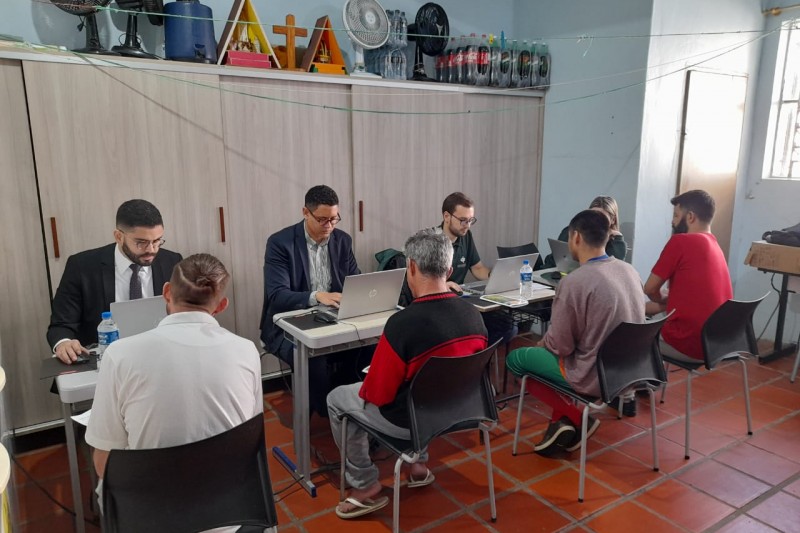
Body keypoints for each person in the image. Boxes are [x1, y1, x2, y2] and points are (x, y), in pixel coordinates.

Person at [86, 254, 263, 525]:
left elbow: (104, 463)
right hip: (230, 512)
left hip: (147, 516)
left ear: (166, 293)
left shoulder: (120, 354)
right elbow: (250, 435)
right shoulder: (246, 349)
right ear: (222, 305)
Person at [327, 230, 488, 520]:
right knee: (426, 382)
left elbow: (377, 395)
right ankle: (418, 466)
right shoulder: (474, 315)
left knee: (338, 398)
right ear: (450, 270)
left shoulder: (402, 324)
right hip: (457, 413)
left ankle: (365, 485)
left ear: (410, 267)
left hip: (410, 420)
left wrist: (373, 374)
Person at [505, 210, 645, 455]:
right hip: (629, 372)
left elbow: (560, 346)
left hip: (593, 374)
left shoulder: (575, 282)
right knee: (552, 357)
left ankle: (578, 417)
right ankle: (561, 424)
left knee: (517, 359)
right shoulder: (629, 270)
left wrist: (541, 346)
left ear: (576, 237)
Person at [260, 185, 362, 417]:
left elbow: (355, 280)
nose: (329, 226)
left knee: (367, 346)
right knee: (312, 356)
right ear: (306, 212)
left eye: (334, 219)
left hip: (333, 319)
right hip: (289, 324)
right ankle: (330, 413)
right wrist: (316, 296)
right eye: (323, 220)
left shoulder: (342, 240)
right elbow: (276, 295)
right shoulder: (280, 243)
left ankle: (350, 408)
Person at [47, 199, 182, 364]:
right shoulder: (82, 266)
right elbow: (61, 324)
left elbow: (183, 314)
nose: (151, 250)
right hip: (106, 361)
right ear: (119, 236)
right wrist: (64, 343)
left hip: (160, 357)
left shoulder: (172, 262)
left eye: (157, 241)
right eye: (141, 242)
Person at [644, 189, 732, 361]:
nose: (673, 221)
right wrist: (662, 301)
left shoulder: (680, 242)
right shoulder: (715, 245)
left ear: (690, 217)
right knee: (651, 308)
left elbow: (649, 289)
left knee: (627, 336)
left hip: (690, 345)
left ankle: (640, 386)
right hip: (717, 343)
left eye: (676, 215)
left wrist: (659, 299)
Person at [434, 192, 516, 346]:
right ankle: (472, 358)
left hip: (462, 301)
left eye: (471, 220)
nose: (468, 226)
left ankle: (477, 358)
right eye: (463, 220)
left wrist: (495, 276)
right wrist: (442, 285)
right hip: (441, 306)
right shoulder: (431, 241)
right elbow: (422, 281)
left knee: (508, 326)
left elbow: (477, 268)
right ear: (446, 216)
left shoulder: (466, 236)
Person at [543, 195, 627, 268]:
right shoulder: (572, 231)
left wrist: (617, 239)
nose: (596, 221)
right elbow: (554, 259)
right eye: (592, 215)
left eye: (602, 218)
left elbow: (610, 268)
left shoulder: (615, 241)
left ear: (613, 220)